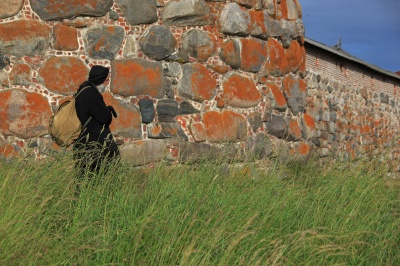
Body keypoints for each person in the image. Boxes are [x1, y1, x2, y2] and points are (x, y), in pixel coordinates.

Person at [73, 65, 120, 179]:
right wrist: (108, 111)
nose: (107, 83)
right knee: (100, 180)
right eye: (106, 80)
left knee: (84, 180)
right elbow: (105, 118)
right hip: (95, 147)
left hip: (83, 145)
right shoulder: (91, 94)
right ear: (100, 79)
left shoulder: (82, 90)